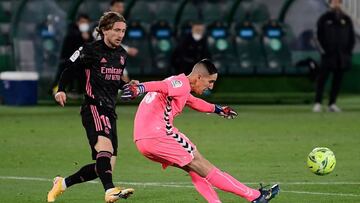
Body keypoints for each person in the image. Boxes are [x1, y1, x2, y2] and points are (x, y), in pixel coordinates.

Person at [121, 59, 280, 203]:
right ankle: (256, 197)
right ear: (198, 77)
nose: (211, 86)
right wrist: (140, 88)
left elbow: (193, 102)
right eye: (210, 81)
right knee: (205, 167)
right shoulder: (180, 83)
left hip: (143, 141)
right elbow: (161, 86)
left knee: (194, 169)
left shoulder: (180, 87)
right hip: (159, 135)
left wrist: (218, 109)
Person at [47, 12, 135, 203]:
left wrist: (127, 86)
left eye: (123, 31)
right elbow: (69, 68)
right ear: (104, 30)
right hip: (94, 107)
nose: (121, 35)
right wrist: (61, 89)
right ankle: (110, 191)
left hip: (110, 111)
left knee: (104, 166)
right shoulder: (89, 50)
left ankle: (62, 183)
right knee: (105, 149)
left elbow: (114, 81)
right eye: (116, 30)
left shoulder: (121, 55)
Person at [313, 0, 355, 112]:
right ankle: (317, 103)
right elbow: (317, 37)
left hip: (342, 56)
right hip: (328, 55)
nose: (336, 5)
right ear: (330, 4)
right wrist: (323, 51)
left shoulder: (346, 19)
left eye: (338, 2)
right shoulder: (324, 19)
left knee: (337, 80)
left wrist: (348, 52)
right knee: (322, 79)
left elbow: (351, 37)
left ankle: (332, 103)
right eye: (334, 2)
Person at [50, 14, 94, 95]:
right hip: (68, 60)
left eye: (86, 22)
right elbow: (70, 49)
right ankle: (56, 90)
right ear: (77, 22)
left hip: (83, 62)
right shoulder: (71, 32)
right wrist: (81, 36)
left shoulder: (90, 35)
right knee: (65, 73)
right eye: (82, 22)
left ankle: (82, 92)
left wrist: (88, 38)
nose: (84, 24)